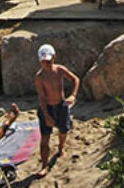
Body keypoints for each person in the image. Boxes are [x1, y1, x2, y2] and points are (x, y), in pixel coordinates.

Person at [34, 44, 80, 178]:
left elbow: (75, 79)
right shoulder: (39, 77)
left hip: (61, 105)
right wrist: (47, 115)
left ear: (54, 58)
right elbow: (42, 97)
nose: (47, 64)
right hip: (47, 107)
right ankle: (44, 165)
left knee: (64, 130)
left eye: (49, 61)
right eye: (44, 61)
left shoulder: (60, 70)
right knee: (45, 138)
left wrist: (73, 95)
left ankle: (61, 147)